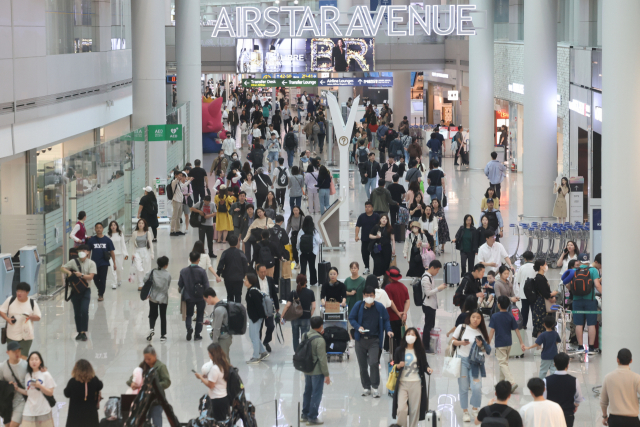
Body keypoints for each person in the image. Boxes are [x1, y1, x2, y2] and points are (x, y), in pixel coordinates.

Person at [349, 286, 394, 398]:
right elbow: (351, 318)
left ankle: (375, 387)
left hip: (374, 339)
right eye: (366, 295)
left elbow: (386, 319)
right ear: (363, 296)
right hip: (360, 340)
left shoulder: (379, 307)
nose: (369, 297)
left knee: (374, 363)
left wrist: (388, 330)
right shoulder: (358, 305)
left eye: (371, 295)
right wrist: (358, 327)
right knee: (362, 365)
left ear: (374, 296)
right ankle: (366, 387)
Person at [451, 310, 491, 422]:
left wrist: (481, 345)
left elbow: (485, 350)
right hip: (462, 361)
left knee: (477, 387)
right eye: (473, 317)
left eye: (478, 318)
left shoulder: (481, 331)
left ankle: (475, 408)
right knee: (463, 388)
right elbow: (453, 341)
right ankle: (465, 411)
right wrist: (461, 342)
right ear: (470, 317)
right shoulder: (462, 327)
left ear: (481, 319)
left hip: (476, 364)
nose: (475, 320)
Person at [392, 327, 433, 427]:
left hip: (416, 382)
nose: (410, 336)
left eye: (413, 334)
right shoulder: (399, 350)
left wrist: (428, 368)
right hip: (402, 382)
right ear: (405, 336)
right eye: (408, 334)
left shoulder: (420, 351)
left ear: (416, 337)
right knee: (401, 409)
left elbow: (424, 364)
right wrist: (398, 366)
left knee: (415, 410)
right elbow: (394, 365)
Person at [488, 296, 526, 392]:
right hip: (509, 343)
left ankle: (512, 382)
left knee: (502, 363)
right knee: (504, 362)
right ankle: (501, 383)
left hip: (500, 343)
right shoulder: (510, 316)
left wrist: (487, 342)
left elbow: (492, 331)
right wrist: (521, 342)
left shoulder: (495, 316)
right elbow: (517, 330)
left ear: (498, 305)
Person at [127, 345, 171, 426]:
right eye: (145, 359)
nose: (147, 361)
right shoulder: (143, 365)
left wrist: (153, 385)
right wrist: (132, 383)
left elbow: (167, 382)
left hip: (156, 400)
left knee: (157, 422)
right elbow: (131, 379)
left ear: (155, 356)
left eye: (149, 359)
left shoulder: (161, 367)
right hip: (143, 401)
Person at [299, 316, 331, 425]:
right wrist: (326, 375)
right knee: (316, 393)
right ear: (321, 326)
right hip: (317, 371)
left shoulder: (305, 335)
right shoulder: (320, 340)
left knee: (307, 391)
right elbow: (322, 359)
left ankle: (304, 414)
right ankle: (312, 417)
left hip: (307, 369)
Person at [60, 245, 95, 341]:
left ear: (88, 252)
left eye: (83, 250)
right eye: (79, 250)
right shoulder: (73, 262)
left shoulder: (91, 263)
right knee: (77, 312)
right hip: (75, 291)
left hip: (86, 290)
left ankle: (84, 331)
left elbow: (91, 277)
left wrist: (81, 275)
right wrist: (69, 273)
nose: (81, 252)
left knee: (84, 310)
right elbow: (62, 268)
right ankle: (80, 332)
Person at [600, 348, 640, 427]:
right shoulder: (636, 378)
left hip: (615, 420)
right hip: (633, 420)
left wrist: (605, 417)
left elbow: (603, 401)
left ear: (617, 360)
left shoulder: (608, 377)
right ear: (631, 361)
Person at [572, 253, 603, 352]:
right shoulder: (593, 270)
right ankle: (591, 347)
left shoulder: (573, 271)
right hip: (590, 300)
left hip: (576, 300)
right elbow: (597, 285)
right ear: (588, 261)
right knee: (591, 324)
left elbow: (568, 286)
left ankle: (580, 347)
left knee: (579, 324)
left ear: (579, 261)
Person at [543, 353, 584, 427]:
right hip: (568, 414)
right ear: (568, 365)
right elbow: (579, 398)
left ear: (554, 364)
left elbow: (543, 399)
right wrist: (575, 406)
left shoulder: (546, 380)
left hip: (551, 414)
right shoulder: (574, 380)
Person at [0, 283, 41, 356]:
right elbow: (1, 310)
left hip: (26, 336)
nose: (19, 293)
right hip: (11, 336)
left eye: (22, 291)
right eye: (17, 291)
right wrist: (7, 319)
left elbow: (38, 317)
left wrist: (30, 317)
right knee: (13, 358)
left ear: (27, 292)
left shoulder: (32, 303)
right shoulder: (11, 300)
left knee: (22, 358)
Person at [193, 343, 231, 421]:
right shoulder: (224, 364)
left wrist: (200, 377)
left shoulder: (215, 368)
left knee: (218, 422)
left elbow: (210, 385)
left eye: (209, 353)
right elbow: (219, 377)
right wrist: (207, 376)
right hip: (224, 397)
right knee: (223, 420)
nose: (208, 355)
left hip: (217, 399)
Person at [178, 252, 211, 341]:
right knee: (200, 315)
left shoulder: (183, 271)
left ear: (189, 260)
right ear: (198, 260)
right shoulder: (202, 271)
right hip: (200, 297)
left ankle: (189, 328)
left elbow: (180, 284)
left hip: (188, 297)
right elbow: (206, 285)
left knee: (189, 314)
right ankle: (197, 334)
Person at [19, 352, 56, 427]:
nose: (34, 361)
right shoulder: (28, 376)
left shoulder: (45, 374)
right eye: (31, 359)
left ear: (40, 361)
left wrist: (40, 386)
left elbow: (50, 393)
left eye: (36, 359)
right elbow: (28, 392)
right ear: (28, 362)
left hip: (43, 410)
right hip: (29, 411)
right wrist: (17, 388)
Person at [281, 274, 316, 352]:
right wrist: (310, 314)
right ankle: (304, 352)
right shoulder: (310, 292)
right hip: (306, 317)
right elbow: (313, 306)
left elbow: (287, 305)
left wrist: (282, 316)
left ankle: (297, 353)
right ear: (306, 282)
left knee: (295, 337)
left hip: (295, 317)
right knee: (305, 337)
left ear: (297, 282)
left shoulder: (293, 292)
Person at [64, 359, 103, 427]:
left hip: (75, 417)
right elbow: (100, 385)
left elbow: (66, 393)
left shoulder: (72, 382)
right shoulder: (94, 380)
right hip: (91, 416)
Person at [0, 341, 28, 427]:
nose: (17, 353)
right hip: (8, 402)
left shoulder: (25, 365)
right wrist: (8, 384)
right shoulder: (2, 366)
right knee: (7, 425)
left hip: (21, 400)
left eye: (18, 351)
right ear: (7, 352)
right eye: (14, 351)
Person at [86, 222, 115, 301]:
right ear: (95, 229)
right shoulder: (91, 240)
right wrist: (87, 263)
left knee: (103, 279)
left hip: (104, 263)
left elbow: (112, 252)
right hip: (94, 263)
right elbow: (88, 252)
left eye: (100, 228)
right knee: (95, 278)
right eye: (97, 228)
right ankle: (100, 289)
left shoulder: (107, 240)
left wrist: (114, 263)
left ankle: (101, 294)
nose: (98, 229)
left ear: (102, 229)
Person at [244, 273, 270, 363]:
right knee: (252, 335)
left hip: (256, 318)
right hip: (254, 317)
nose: (244, 281)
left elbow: (259, 305)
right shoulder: (251, 290)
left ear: (250, 281)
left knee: (254, 337)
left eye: (246, 279)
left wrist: (262, 316)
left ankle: (256, 356)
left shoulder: (253, 292)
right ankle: (263, 352)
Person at [144, 256, 171, 342]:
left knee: (152, 314)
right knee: (163, 316)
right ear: (166, 265)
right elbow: (168, 285)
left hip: (153, 297)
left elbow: (145, 279)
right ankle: (163, 335)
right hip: (163, 298)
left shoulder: (152, 271)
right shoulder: (167, 274)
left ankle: (151, 328)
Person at [530, 260, 559, 338]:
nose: (547, 266)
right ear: (541, 266)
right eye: (545, 264)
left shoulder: (542, 277)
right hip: (541, 305)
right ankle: (539, 345)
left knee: (542, 323)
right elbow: (544, 293)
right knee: (541, 324)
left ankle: (541, 345)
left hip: (542, 303)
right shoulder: (539, 278)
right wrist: (553, 294)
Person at [216, 234, 249, 303]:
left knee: (229, 295)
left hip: (228, 278)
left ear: (228, 242)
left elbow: (221, 265)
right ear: (237, 242)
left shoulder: (225, 253)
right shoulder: (240, 253)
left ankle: (230, 310)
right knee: (238, 295)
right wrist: (246, 274)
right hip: (239, 277)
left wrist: (218, 274)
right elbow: (245, 264)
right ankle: (237, 310)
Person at [383, 268, 410, 351]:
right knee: (400, 336)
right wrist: (404, 313)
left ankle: (389, 349)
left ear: (390, 278)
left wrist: (397, 312)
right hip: (402, 317)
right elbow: (407, 301)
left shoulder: (388, 287)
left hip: (391, 316)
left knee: (391, 334)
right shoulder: (404, 287)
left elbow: (390, 302)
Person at [256, 264, 280, 352]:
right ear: (257, 272)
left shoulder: (270, 280)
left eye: (265, 271)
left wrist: (277, 306)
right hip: (258, 307)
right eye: (261, 272)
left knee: (271, 326)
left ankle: (266, 341)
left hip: (269, 306)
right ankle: (258, 345)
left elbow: (274, 294)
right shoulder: (254, 281)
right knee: (259, 328)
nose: (263, 274)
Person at [203, 288, 233, 357]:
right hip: (226, 336)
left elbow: (217, 328)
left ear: (209, 297)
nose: (207, 303)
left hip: (223, 339)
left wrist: (214, 344)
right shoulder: (221, 304)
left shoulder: (219, 309)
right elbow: (222, 322)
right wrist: (210, 323)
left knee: (223, 361)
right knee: (223, 360)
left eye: (206, 300)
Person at [129, 218, 155, 291]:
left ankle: (146, 284)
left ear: (144, 225)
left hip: (146, 251)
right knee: (138, 267)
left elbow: (150, 243)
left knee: (146, 268)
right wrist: (132, 253)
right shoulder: (135, 233)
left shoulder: (147, 233)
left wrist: (152, 253)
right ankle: (140, 284)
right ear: (137, 224)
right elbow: (133, 244)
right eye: (139, 223)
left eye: (142, 223)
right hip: (137, 251)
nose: (140, 224)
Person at [355, 202, 380, 275]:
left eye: (369, 206)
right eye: (366, 207)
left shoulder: (377, 216)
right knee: (365, 254)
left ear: (372, 208)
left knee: (377, 254)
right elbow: (357, 226)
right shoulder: (362, 216)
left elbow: (380, 225)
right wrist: (356, 235)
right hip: (365, 239)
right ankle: (367, 267)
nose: (367, 208)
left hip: (376, 240)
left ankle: (377, 269)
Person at [297, 216, 323, 286]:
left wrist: (298, 249)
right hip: (312, 251)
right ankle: (313, 281)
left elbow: (298, 241)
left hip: (303, 252)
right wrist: (321, 241)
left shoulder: (301, 230)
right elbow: (318, 240)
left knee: (303, 267)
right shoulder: (314, 230)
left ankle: (302, 282)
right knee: (312, 266)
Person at [514, 250, 536, 330]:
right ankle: (535, 324)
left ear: (524, 258)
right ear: (533, 258)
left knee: (524, 309)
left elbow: (518, 281)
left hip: (524, 293)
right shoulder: (535, 267)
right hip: (534, 293)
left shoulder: (521, 268)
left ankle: (523, 324)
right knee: (534, 309)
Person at [106, 220, 128, 289]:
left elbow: (123, 244)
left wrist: (125, 254)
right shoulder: (107, 235)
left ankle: (119, 280)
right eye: (112, 225)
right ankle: (114, 283)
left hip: (119, 254)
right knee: (112, 269)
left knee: (119, 269)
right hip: (111, 255)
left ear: (117, 226)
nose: (113, 226)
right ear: (110, 227)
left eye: (114, 225)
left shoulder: (120, 233)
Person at [170, 171, 191, 236]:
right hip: (176, 200)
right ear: (176, 175)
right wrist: (177, 178)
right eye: (179, 175)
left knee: (179, 216)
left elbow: (184, 185)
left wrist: (189, 180)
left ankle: (177, 230)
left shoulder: (179, 183)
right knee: (174, 216)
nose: (181, 177)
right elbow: (176, 180)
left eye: (181, 176)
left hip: (180, 201)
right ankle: (172, 231)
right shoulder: (174, 182)